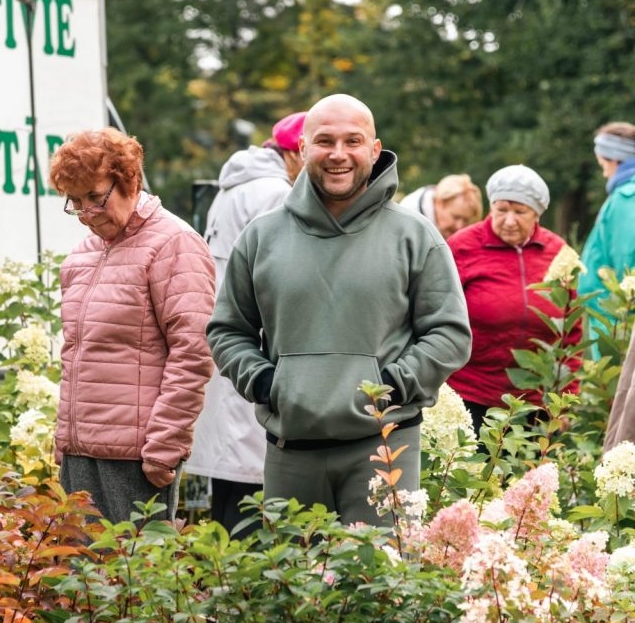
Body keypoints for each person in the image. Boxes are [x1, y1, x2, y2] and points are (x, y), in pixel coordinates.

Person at [207, 93, 471, 527]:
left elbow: (449, 334)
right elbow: (227, 330)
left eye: (353, 141)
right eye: (325, 141)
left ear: (374, 148)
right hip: (289, 451)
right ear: (302, 149)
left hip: (385, 449)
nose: (338, 154)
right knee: (289, 587)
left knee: (381, 586)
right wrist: (267, 382)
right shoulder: (262, 237)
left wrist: (390, 385)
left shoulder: (414, 235)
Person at [49, 127, 215, 524]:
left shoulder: (174, 244)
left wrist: (165, 444)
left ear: (130, 181)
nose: (87, 213)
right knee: (83, 579)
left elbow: (193, 352)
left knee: (133, 577)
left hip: (137, 457)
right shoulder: (83, 254)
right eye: (75, 202)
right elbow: (75, 352)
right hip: (80, 453)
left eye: (96, 197)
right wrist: (64, 440)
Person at [186, 111, 306, 535]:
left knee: (230, 482)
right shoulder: (275, 193)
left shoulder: (234, 187)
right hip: (255, 344)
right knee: (253, 493)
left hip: (230, 344)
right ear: (296, 153)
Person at [446, 165, 582, 437]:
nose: (509, 221)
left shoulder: (558, 254)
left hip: (535, 400)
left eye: (520, 212)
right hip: (470, 393)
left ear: (537, 214)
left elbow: (571, 332)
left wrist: (566, 399)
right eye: (501, 210)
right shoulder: (461, 247)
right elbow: (434, 314)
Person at [578, 122, 635, 351]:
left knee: (618, 388)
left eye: (602, 162)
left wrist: (622, 314)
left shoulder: (626, 198)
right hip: (614, 320)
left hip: (618, 325)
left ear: (615, 159)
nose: (603, 170)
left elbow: (626, 261)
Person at [398, 173, 484, 239]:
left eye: (466, 220)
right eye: (456, 217)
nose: (459, 226)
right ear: (439, 203)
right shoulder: (408, 220)